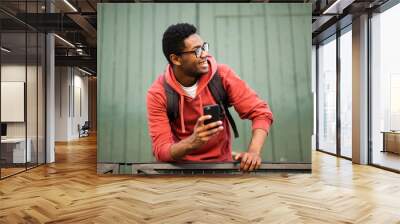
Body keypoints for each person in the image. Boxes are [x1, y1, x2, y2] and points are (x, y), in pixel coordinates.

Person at [146, 23, 273, 172]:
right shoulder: (158, 93)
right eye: (197, 51)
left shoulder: (222, 75)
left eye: (204, 47)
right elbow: (161, 151)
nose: (205, 54)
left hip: (221, 167)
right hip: (179, 171)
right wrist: (193, 142)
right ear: (176, 59)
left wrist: (253, 152)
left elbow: (261, 113)